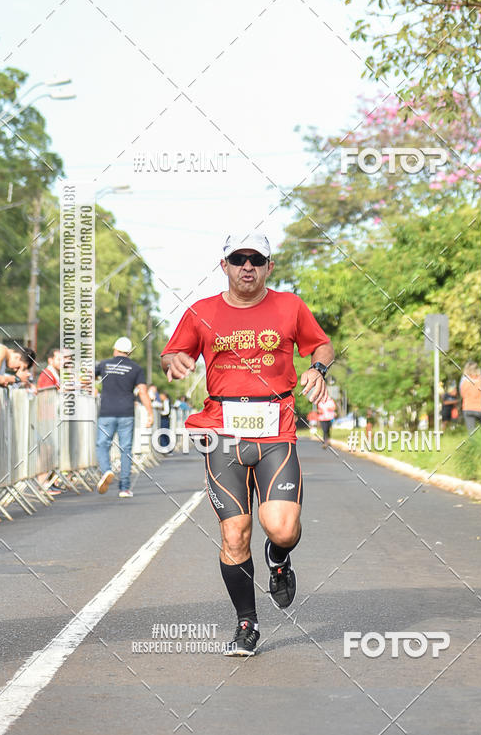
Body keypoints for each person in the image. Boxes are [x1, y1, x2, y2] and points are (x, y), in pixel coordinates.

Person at [161, 232, 333, 656]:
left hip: (276, 432)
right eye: (238, 259)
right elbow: (171, 353)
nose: (247, 266)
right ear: (224, 265)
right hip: (223, 433)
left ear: (268, 266)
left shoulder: (290, 306)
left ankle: (278, 559)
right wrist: (174, 360)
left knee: (283, 528)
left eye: (256, 259)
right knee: (234, 534)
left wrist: (318, 369)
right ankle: (246, 623)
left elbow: (322, 344)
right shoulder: (201, 313)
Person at [95, 337, 153, 498]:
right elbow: (142, 392)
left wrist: (92, 389)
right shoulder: (135, 368)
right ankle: (124, 488)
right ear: (130, 352)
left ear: (115, 349)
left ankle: (107, 470)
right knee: (125, 450)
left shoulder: (104, 364)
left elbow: (86, 378)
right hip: (127, 412)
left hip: (107, 411)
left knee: (102, 445)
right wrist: (150, 413)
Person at [459, 362, 481, 433]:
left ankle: (473, 444)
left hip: (468, 408)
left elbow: (462, 394)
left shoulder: (464, 379)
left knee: (471, 433)